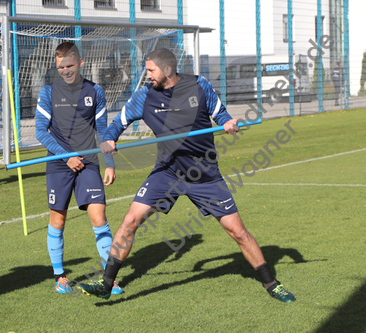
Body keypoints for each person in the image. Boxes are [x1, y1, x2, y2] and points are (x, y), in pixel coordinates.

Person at [78, 48, 295, 303]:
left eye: (150, 70)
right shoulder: (143, 96)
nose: (146, 75)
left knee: (237, 232)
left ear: (167, 70)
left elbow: (220, 113)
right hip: (167, 172)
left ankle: (271, 283)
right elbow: (117, 124)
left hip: (204, 174)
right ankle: (106, 283)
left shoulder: (199, 85)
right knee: (130, 220)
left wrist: (227, 122)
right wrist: (110, 139)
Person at [35, 42, 123, 295]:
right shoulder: (48, 93)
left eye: (69, 65)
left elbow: (103, 130)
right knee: (58, 220)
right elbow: (41, 131)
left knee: (99, 218)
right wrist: (66, 157)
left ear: (80, 63)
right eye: (60, 66)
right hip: (58, 165)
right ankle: (60, 276)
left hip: (89, 164)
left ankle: (109, 279)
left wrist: (110, 163)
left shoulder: (95, 91)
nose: (65, 70)